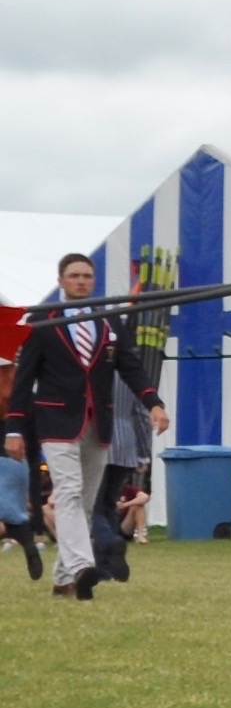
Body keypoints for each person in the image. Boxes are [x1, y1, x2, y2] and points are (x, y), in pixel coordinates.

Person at [5, 253, 168, 601]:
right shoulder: (42, 321)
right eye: (74, 276)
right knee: (68, 492)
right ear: (61, 281)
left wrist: (154, 403)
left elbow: (130, 366)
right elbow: (24, 379)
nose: (81, 281)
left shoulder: (108, 320)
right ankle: (82, 566)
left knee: (86, 502)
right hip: (56, 421)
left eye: (87, 276)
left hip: (99, 422)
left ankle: (64, 579)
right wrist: (14, 428)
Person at [0, 431, 39, 579]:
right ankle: (29, 544)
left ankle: (27, 543)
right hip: (19, 453)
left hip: (10, 445)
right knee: (17, 513)